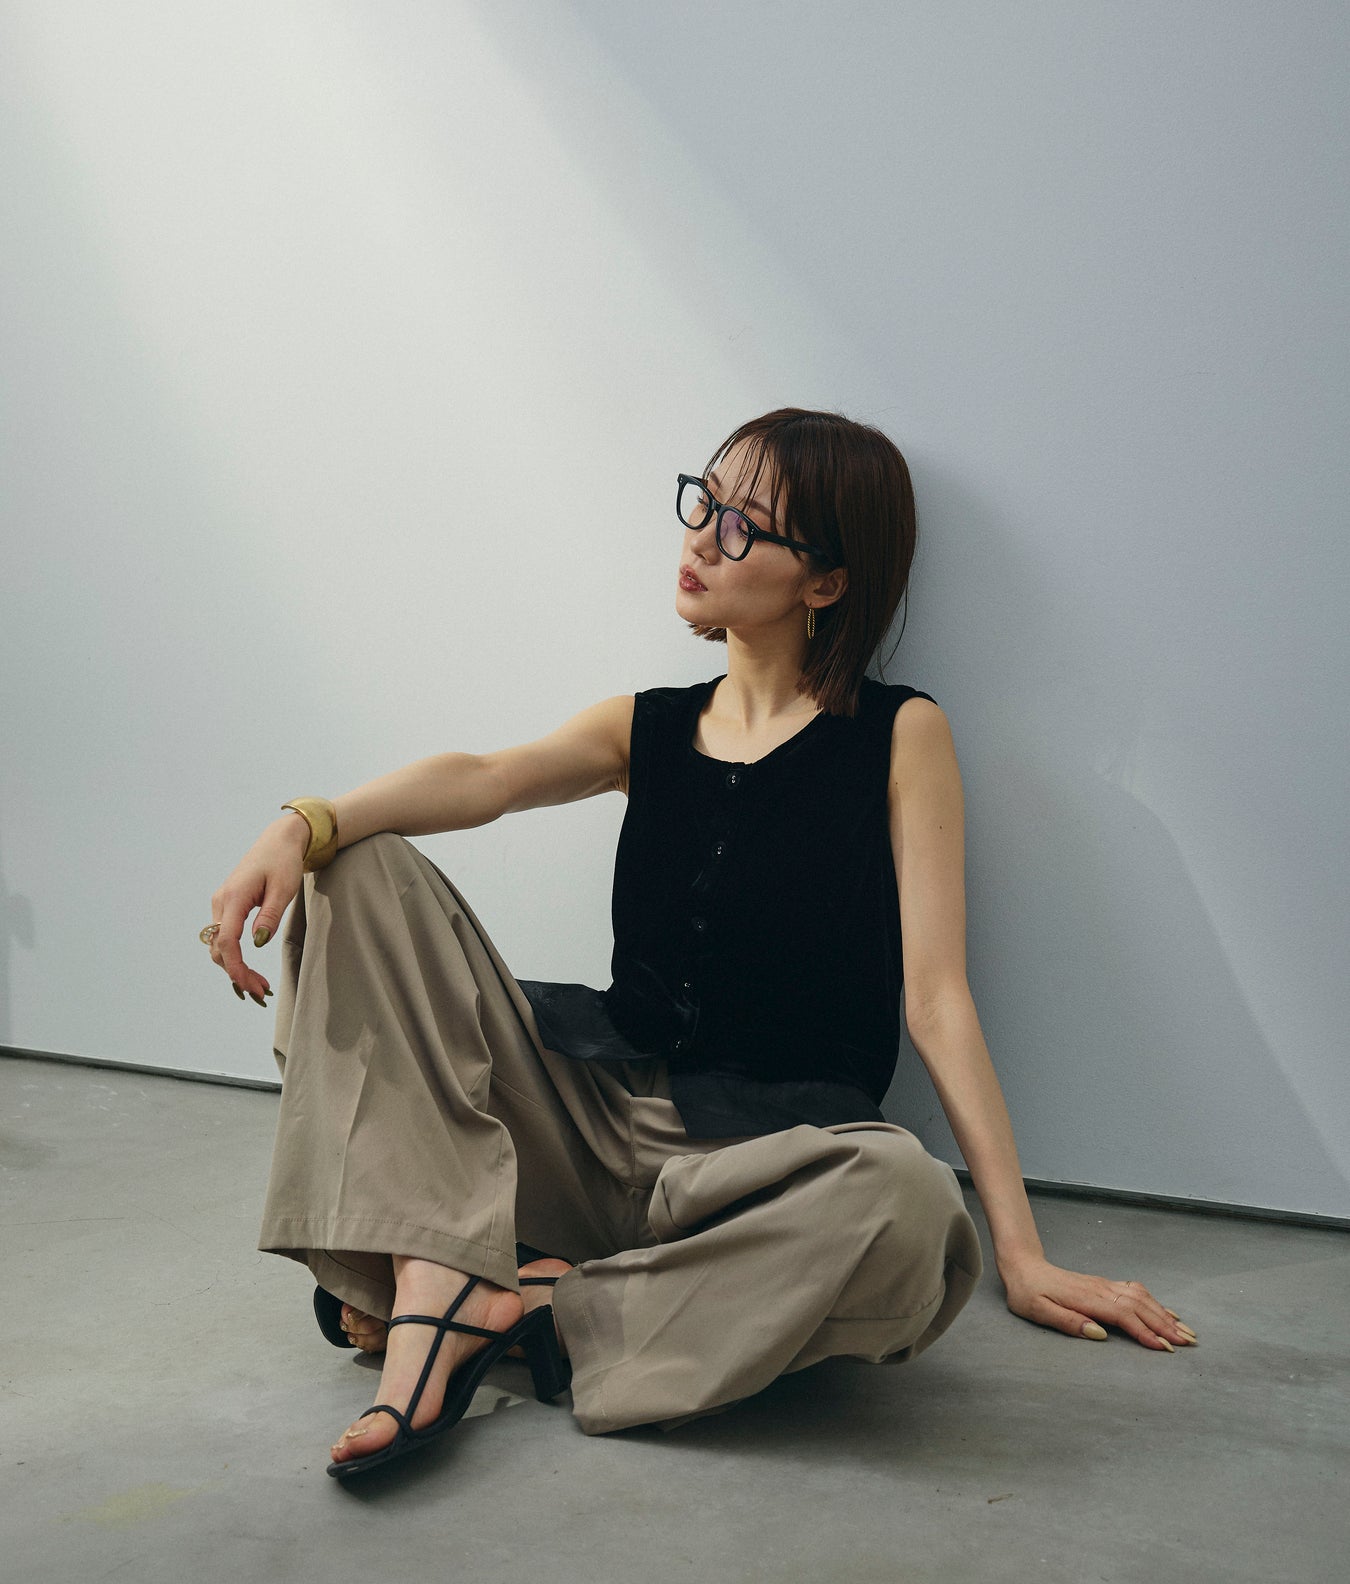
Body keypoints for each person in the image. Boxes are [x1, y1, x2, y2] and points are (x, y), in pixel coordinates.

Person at [202, 407, 1198, 1482]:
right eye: (705, 502)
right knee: (358, 869)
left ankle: (511, 1300)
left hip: (755, 1172)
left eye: (743, 525)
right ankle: (465, 1281)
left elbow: (937, 999)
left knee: (911, 1208)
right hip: (583, 1125)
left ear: (826, 583)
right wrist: (302, 824)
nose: (701, 538)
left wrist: (1022, 1254)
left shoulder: (900, 734)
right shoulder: (647, 725)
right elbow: (485, 779)